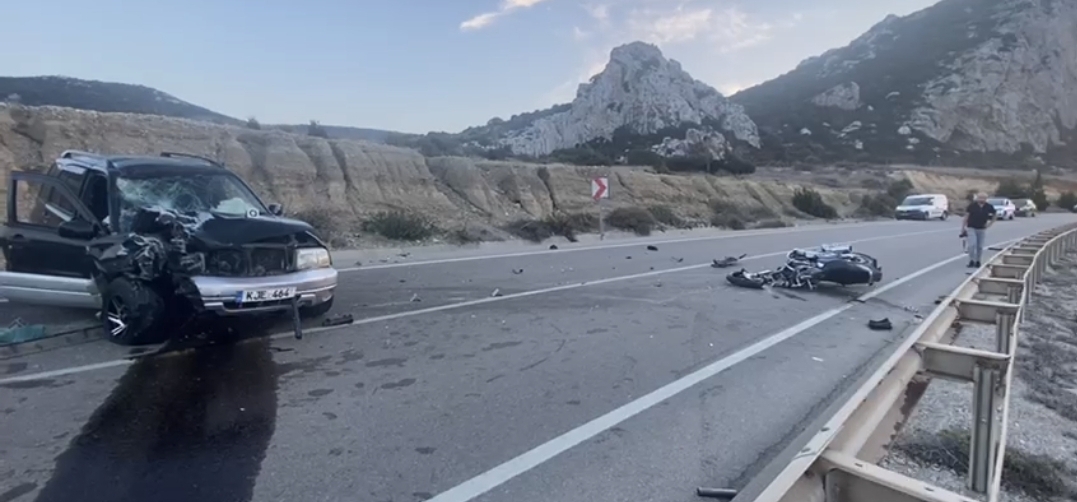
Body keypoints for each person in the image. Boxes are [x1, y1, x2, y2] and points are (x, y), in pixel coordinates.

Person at [962, 193, 997, 268]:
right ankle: (971, 260)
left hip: (982, 228)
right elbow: (966, 216)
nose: (981, 199)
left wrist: (989, 224)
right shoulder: (972, 206)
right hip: (971, 227)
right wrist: (963, 227)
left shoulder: (989, 206)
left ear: (986, 199)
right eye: (980, 198)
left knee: (980, 246)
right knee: (972, 245)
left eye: (983, 198)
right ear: (977, 198)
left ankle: (978, 260)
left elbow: (995, 215)